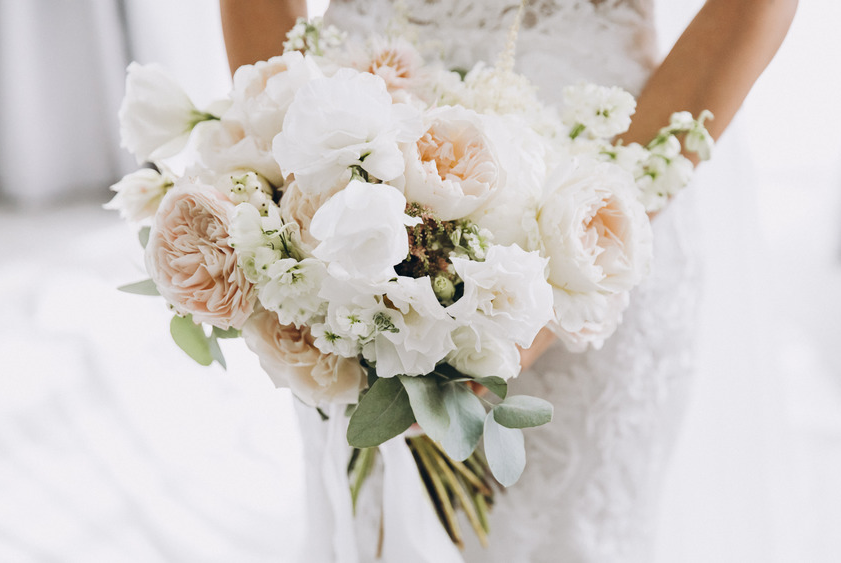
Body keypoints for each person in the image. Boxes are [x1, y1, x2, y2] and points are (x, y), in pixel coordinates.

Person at [219, 0, 799, 561]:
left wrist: (575, 256)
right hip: (339, 184)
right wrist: (289, 188)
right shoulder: (313, 206)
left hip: (596, 173)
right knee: (371, 516)